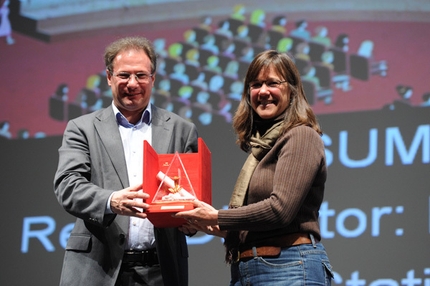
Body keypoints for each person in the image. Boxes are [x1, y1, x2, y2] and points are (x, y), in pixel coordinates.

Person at [175, 50, 333, 285]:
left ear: (291, 89)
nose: (263, 91)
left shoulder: (301, 136)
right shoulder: (263, 146)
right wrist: (210, 224)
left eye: (272, 83)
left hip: (288, 267)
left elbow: (280, 210)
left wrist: (217, 215)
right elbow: (259, 225)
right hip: (248, 269)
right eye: (256, 84)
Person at [54, 36, 198, 286]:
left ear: (153, 79)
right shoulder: (82, 128)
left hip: (161, 271)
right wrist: (112, 201)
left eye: (141, 75)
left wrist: (191, 220)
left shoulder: (182, 130)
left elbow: (190, 194)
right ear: (109, 77)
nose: (132, 84)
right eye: (124, 75)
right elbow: (68, 185)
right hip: (98, 268)